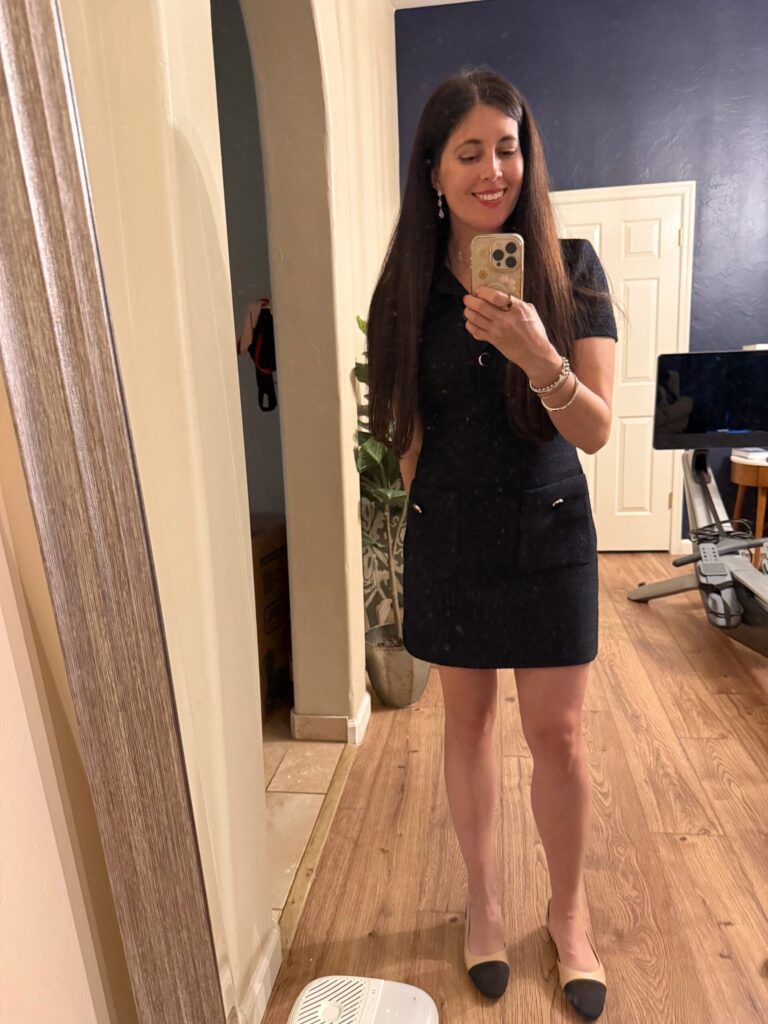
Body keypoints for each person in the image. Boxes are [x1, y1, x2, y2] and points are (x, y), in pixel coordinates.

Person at [365, 68, 618, 1018]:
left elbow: (594, 430)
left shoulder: (571, 270)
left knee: (559, 735)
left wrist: (536, 354)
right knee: (466, 727)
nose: (492, 170)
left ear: (527, 155)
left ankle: (569, 912)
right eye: (468, 152)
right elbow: (403, 427)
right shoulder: (408, 286)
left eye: (507, 148)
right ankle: (482, 900)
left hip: (551, 533)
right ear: (433, 170)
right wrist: (435, 508)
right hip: (452, 541)